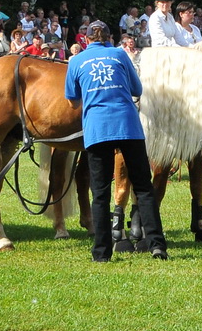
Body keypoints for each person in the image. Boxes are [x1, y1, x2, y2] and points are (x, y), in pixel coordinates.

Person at [64, 21, 166, 262]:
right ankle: (157, 246)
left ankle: (101, 252)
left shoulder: (76, 61)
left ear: (85, 40)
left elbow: (71, 101)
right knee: (143, 187)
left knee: (100, 193)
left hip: (98, 129)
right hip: (128, 125)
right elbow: (137, 89)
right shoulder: (119, 54)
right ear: (109, 38)